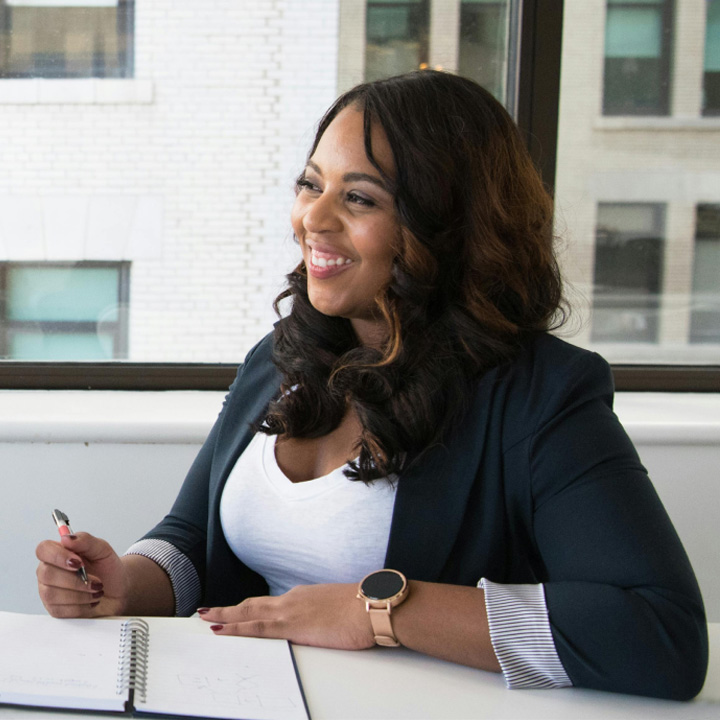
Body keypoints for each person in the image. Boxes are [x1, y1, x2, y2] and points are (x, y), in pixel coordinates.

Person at [36, 70, 707, 700]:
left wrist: (379, 610)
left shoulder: (541, 395)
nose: (313, 219)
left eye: (358, 197)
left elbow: (659, 633)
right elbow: (193, 539)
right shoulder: (279, 359)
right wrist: (127, 583)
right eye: (310, 184)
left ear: (449, 226)